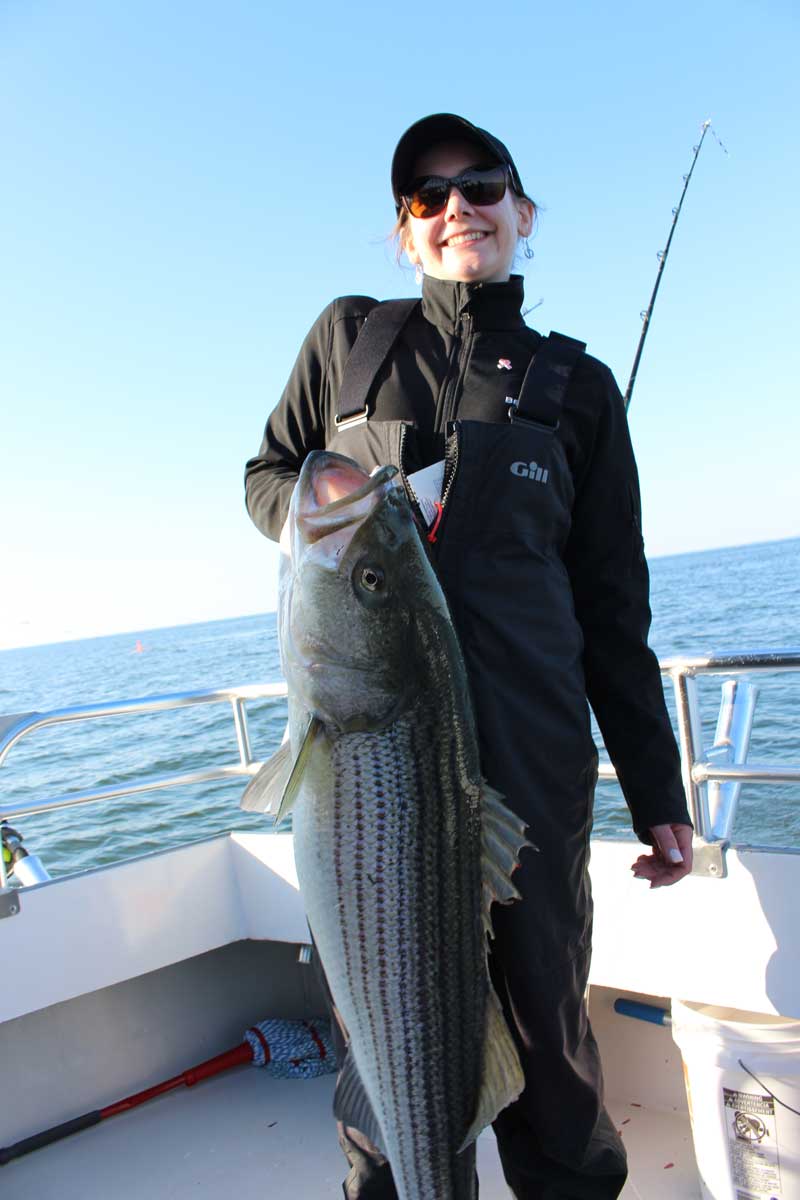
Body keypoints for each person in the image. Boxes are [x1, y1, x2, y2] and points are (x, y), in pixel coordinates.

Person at [244, 112, 694, 1200]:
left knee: (545, 1037)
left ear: (520, 212)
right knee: (382, 1020)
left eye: (481, 184)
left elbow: (609, 602)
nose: (457, 209)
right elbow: (268, 475)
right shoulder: (347, 337)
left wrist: (655, 789)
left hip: (533, 763)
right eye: (427, 196)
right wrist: (316, 520)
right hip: (370, 764)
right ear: (404, 231)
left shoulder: (576, 386)